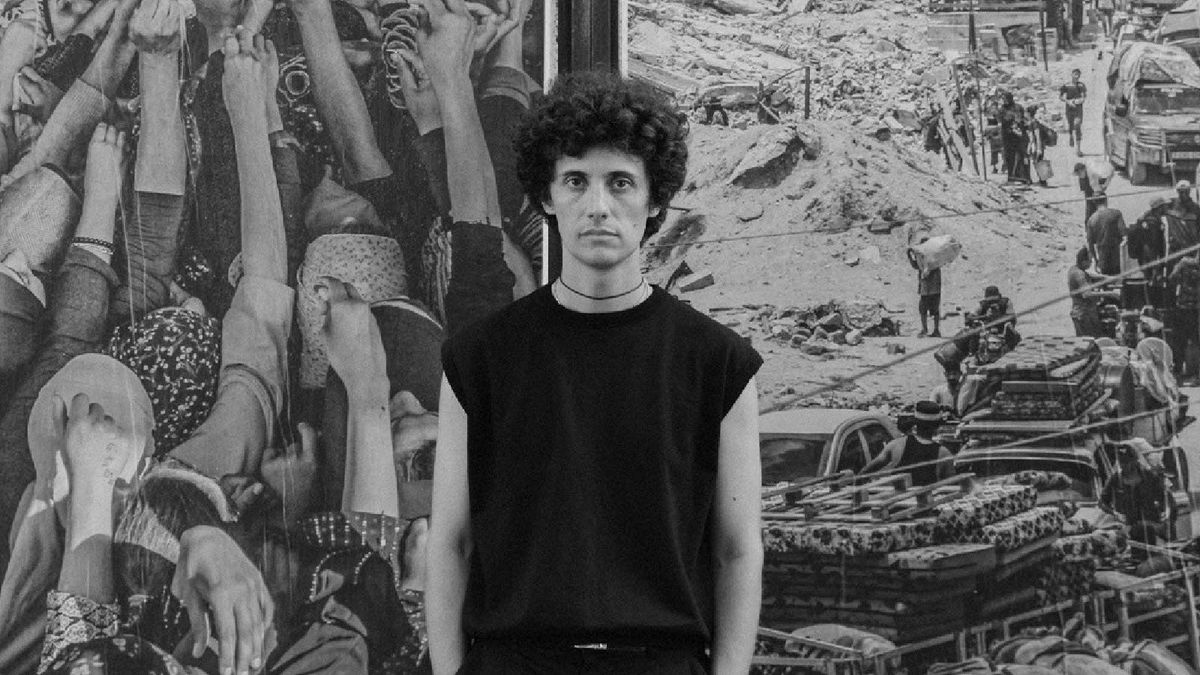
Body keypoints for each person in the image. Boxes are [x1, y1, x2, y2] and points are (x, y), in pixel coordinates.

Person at [427, 69, 765, 674]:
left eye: (621, 182)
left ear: (655, 199)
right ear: (546, 196)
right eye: (576, 181)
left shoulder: (718, 363)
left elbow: (737, 551)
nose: (598, 207)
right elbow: (451, 543)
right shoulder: (480, 359)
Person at [859, 400, 954, 486]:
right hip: (926, 499)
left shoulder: (896, 445)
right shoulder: (944, 454)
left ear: (915, 424)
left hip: (896, 498)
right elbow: (951, 487)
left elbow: (866, 471)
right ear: (936, 427)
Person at [1101, 443, 1168, 549]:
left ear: (1135, 460)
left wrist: (1163, 519)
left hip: (1151, 527)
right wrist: (1115, 514)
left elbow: (1165, 499)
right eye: (1122, 462)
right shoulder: (1115, 480)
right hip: (1128, 530)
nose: (1125, 465)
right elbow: (1102, 502)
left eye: (1128, 462)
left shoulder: (1150, 477)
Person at [1168, 252, 1200, 381]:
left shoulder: (1184, 263)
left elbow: (1172, 278)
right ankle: (1196, 374)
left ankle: (1178, 372)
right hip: (1197, 309)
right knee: (1196, 341)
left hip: (1183, 307)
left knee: (1179, 341)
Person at [1069, 247, 1108, 337]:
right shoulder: (1079, 274)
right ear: (1084, 262)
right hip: (1084, 314)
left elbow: (1091, 276)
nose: (1091, 263)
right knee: (1092, 340)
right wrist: (1110, 294)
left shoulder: (1074, 269)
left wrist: (1109, 278)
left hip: (1082, 313)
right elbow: (1087, 294)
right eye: (1090, 261)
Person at [1087, 197, 1127, 276]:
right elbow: (1124, 235)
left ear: (1094, 203)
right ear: (1106, 200)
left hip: (1103, 258)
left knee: (1106, 280)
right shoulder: (1116, 214)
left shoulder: (1091, 219)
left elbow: (1090, 244)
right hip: (1116, 257)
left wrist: (1096, 260)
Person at [908, 249, 941, 338]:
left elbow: (918, 266)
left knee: (926, 309)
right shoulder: (933, 258)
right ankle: (933, 330)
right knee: (930, 309)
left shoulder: (930, 259)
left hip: (930, 289)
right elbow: (916, 265)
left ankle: (928, 330)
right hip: (931, 289)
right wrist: (910, 256)